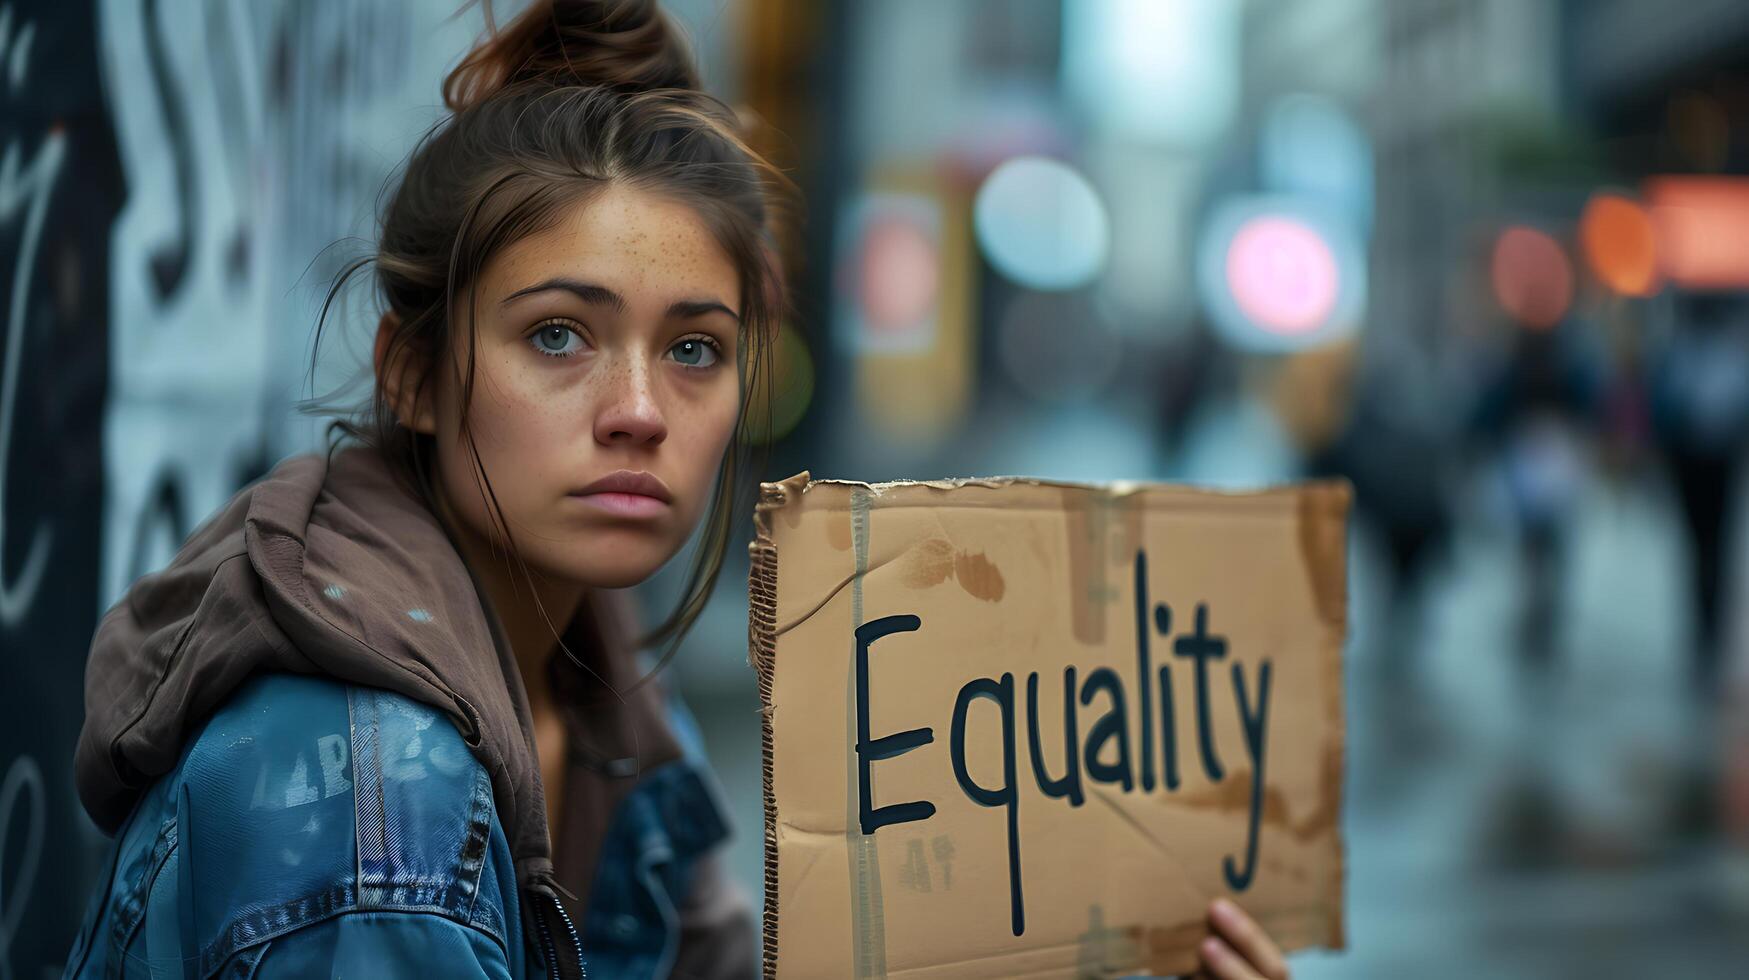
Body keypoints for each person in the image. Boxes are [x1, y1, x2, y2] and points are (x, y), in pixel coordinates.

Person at [59, 2, 1292, 977]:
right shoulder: (374, 811)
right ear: (416, 374)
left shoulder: (604, 704)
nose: (641, 407)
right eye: (558, 335)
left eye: (694, 347)